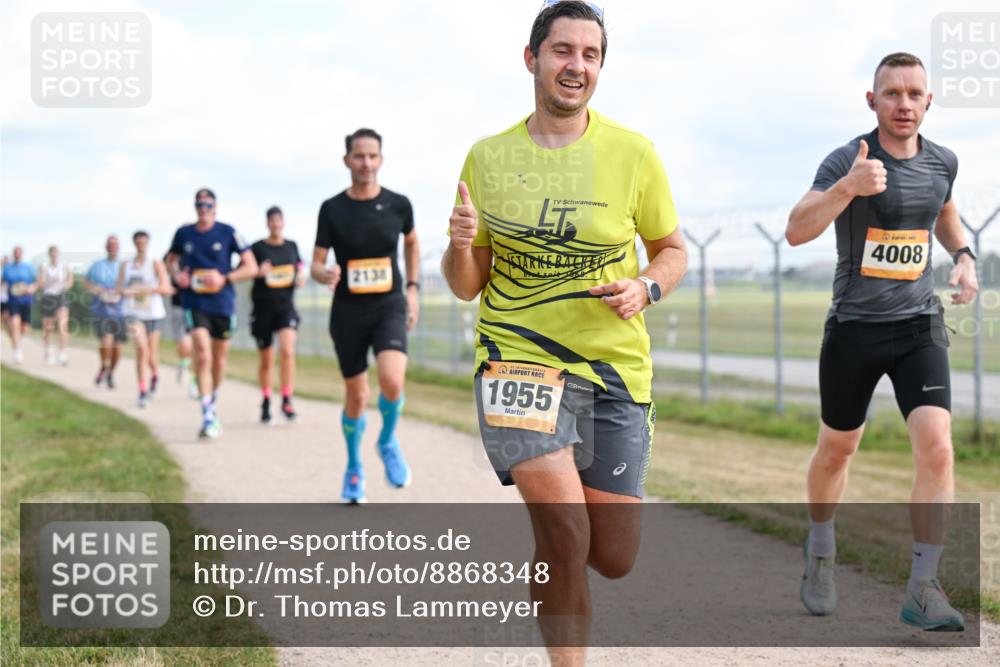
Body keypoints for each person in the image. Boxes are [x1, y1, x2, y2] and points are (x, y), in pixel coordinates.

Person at [441, 2, 686, 663]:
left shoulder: (634, 154)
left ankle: (555, 552)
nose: (576, 65)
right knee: (568, 529)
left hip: (614, 371)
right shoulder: (488, 157)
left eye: (591, 54)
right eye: (562, 50)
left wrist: (647, 286)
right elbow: (467, 282)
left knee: (611, 554)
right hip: (517, 362)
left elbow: (671, 249)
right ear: (532, 58)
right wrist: (461, 244)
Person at [786, 52, 978, 632]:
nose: (903, 103)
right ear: (873, 101)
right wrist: (848, 187)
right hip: (854, 329)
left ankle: (923, 585)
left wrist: (963, 256)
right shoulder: (850, 157)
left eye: (914, 93)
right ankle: (821, 546)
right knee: (838, 450)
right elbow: (796, 230)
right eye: (891, 93)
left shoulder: (943, 160)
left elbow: (940, 209)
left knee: (938, 447)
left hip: (919, 324)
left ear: (927, 102)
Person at [312, 127, 421, 503]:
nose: (366, 163)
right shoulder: (332, 208)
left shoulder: (399, 204)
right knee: (357, 396)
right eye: (359, 156)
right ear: (347, 161)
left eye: (372, 156)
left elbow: (411, 243)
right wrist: (324, 272)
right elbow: (315, 262)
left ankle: (387, 440)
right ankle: (354, 467)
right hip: (347, 312)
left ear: (381, 159)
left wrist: (412, 289)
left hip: (389, 305)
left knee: (392, 380)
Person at [167, 188, 257, 439]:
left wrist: (224, 278)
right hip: (194, 302)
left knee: (218, 359)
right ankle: (207, 413)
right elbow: (170, 259)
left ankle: (213, 399)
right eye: (199, 205)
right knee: (203, 355)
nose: (203, 209)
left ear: (215, 208)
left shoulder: (228, 233)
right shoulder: (184, 233)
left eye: (208, 205)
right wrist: (176, 274)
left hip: (222, 304)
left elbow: (251, 266)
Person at [250, 206, 307, 424]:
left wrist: (301, 275)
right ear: (267, 223)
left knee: (287, 351)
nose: (275, 224)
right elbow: (245, 269)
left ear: (283, 222)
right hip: (263, 309)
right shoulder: (257, 247)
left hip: (286, 307)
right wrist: (258, 272)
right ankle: (265, 400)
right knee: (267, 360)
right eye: (271, 221)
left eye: (278, 220)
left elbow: (300, 265)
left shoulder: (291, 246)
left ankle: (286, 398)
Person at [118, 231, 170, 408]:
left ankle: (155, 375)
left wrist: (145, 290)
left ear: (148, 243)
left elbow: (165, 287)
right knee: (141, 349)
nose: (141, 245)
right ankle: (142, 391)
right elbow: (119, 289)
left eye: (144, 242)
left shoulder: (155, 263)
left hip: (153, 313)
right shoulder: (126, 265)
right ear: (134, 243)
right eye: (138, 242)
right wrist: (127, 291)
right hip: (133, 313)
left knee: (151, 355)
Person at [85, 236, 126, 388]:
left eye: (115, 245)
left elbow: (132, 286)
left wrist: (121, 291)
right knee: (105, 342)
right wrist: (95, 289)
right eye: (110, 245)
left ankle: (110, 372)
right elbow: (86, 281)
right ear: (106, 247)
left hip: (121, 311)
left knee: (118, 347)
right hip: (102, 310)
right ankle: (104, 365)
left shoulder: (124, 266)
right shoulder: (97, 265)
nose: (112, 248)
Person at [164, 250, 199, 399]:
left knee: (198, 346)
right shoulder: (173, 257)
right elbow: (164, 268)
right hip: (179, 306)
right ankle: (183, 362)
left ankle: (194, 382)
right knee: (184, 344)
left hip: (198, 306)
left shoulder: (199, 256)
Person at [36, 245, 72, 365]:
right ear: (49, 254)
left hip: (60, 297)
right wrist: (43, 279)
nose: (54, 254)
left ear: (58, 253)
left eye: (56, 252)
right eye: (52, 252)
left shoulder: (64, 266)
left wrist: (66, 286)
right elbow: (40, 282)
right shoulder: (44, 267)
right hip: (48, 297)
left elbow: (70, 280)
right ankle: (48, 350)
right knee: (48, 328)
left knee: (63, 326)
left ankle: (62, 353)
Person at [1, 246, 37, 364]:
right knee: (14, 325)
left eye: (19, 253)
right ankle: (17, 351)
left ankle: (19, 341)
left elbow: (37, 281)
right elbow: (3, 282)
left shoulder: (28, 267)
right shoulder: (7, 268)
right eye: (15, 253)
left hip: (26, 301)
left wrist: (32, 287)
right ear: (13, 254)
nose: (17, 255)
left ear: (21, 254)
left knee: (24, 328)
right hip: (13, 302)